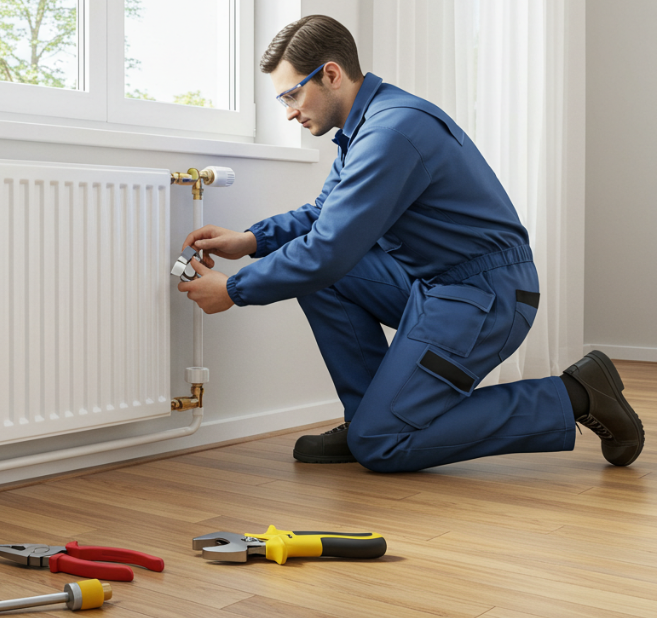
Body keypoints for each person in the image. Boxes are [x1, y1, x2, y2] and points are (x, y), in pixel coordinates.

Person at [177, 15, 644, 472]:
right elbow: (324, 216)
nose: (290, 111)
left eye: (293, 94)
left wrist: (234, 292)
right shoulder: (364, 128)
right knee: (325, 282)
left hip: (486, 296)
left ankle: (574, 394)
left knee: (384, 445)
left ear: (332, 74)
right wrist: (253, 240)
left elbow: (329, 249)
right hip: (435, 284)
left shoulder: (391, 132)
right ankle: (366, 421)